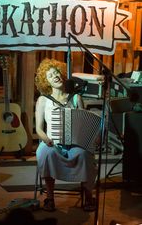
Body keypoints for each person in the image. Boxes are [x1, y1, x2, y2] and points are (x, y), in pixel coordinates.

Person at [35, 58, 98, 212]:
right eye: (50, 75)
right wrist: (46, 139)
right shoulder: (43, 100)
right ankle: (50, 198)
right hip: (53, 143)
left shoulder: (76, 98)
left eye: (56, 72)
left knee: (84, 155)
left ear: (61, 74)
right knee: (46, 153)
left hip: (75, 144)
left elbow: (83, 124)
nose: (54, 76)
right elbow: (38, 129)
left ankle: (89, 197)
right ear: (47, 82)